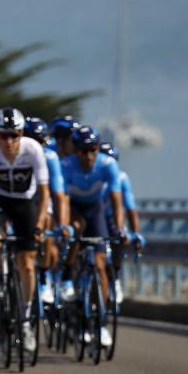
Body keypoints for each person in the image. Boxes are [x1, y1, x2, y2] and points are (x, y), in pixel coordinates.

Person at [0, 107, 50, 352]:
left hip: (24, 203)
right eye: (2, 136)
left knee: (27, 263)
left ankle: (27, 319)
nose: (8, 141)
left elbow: (44, 192)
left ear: (21, 133)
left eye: (13, 135)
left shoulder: (33, 149)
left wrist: (40, 225)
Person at [60, 126, 126, 348]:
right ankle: (68, 275)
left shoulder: (108, 165)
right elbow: (61, 198)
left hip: (95, 208)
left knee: (100, 265)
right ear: (75, 151)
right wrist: (65, 226)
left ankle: (101, 324)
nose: (88, 156)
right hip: (73, 207)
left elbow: (118, 201)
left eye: (93, 150)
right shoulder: (66, 166)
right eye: (83, 151)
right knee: (76, 229)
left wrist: (119, 228)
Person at [25, 118, 72, 305]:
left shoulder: (50, 157)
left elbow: (59, 196)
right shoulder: (18, 154)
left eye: (41, 141)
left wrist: (62, 226)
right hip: (23, 199)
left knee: (47, 229)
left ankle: (44, 277)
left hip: (43, 200)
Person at [99, 141, 144, 302]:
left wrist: (136, 233)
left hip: (111, 218)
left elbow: (130, 208)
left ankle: (114, 276)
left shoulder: (121, 178)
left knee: (120, 238)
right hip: (94, 217)